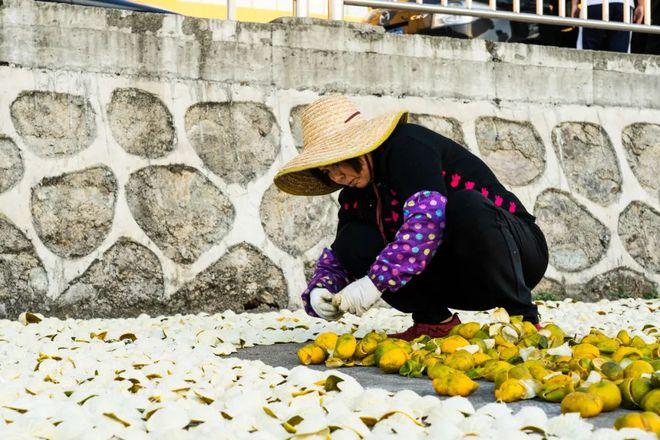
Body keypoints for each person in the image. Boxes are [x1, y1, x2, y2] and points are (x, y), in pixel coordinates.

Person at [274, 96, 549, 340]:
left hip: (516, 258)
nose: (336, 177)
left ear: (358, 150)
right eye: (326, 172)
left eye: (337, 165)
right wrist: (321, 289)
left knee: (466, 205)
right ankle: (434, 321)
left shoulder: (408, 147)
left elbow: (427, 222)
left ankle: (523, 319)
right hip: (459, 280)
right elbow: (343, 253)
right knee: (354, 240)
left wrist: (374, 283)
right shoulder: (354, 192)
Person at [572, 0, 646, 52]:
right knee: (620, 54)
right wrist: (641, 4)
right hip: (623, 4)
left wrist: (574, 4)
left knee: (586, 53)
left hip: (592, 3)